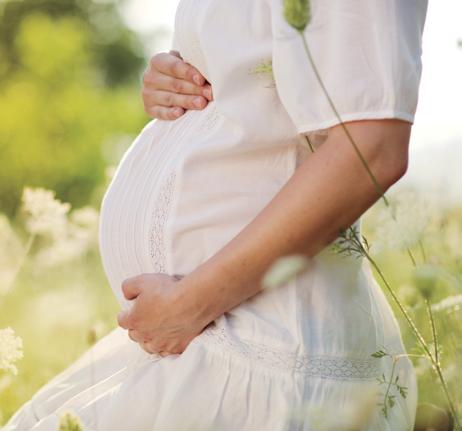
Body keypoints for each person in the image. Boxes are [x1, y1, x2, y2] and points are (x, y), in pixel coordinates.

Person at [3, 0, 428, 429]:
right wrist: (171, 77)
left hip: (262, 353)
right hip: (199, 345)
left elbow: (372, 149)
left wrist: (191, 303)